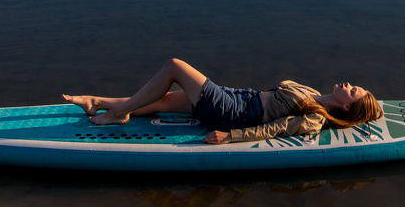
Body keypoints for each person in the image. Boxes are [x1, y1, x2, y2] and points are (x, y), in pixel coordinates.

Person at [62, 58, 382, 144]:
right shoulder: (312, 92)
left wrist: (231, 136)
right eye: (354, 87)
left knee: (175, 66)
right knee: (165, 101)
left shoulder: (314, 116)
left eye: (353, 92)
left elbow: (275, 130)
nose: (349, 85)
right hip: (235, 98)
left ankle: (118, 113)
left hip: (232, 114)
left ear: (345, 107)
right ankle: (97, 102)